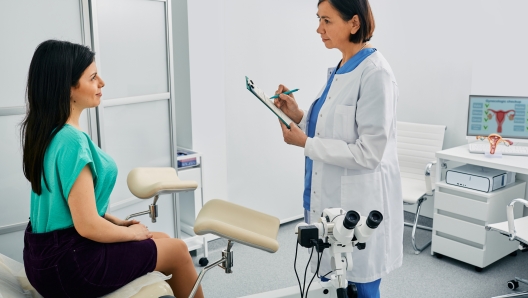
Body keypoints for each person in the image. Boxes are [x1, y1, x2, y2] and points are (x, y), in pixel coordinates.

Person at [20, 40, 204, 298]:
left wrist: (115, 221)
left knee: (160, 236)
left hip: (43, 260)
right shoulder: (72, 141)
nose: (102, 83)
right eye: (93, 77)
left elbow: (63, 209)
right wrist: (130, 234)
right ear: (69, 88)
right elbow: (87, 227)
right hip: (72, 265)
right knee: (178, 251)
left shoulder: (47, 133)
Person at [274, 0, 403, 297]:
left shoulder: (375, 73)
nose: (319, 29)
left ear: (354, 24)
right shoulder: (341, 68)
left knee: (360, 285)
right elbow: (329, 129)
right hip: (330, 199)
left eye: (327, 21)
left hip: (358, 201)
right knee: (334, 282)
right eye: (319, 19)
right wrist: (297, 115)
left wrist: (305, 143)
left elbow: (368, 153)